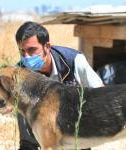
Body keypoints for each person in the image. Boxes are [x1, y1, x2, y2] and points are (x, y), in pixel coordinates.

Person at [15, 21, 104, 150]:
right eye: (22, 51)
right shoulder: (21, 71)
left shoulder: (73, 61)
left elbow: (99, 91)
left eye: (32, 50)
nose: (26, 57)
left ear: (47, 47)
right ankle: (28, 145)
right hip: (41, 125)